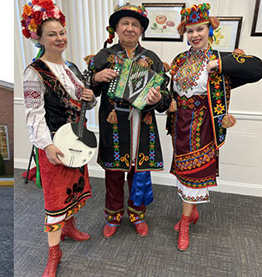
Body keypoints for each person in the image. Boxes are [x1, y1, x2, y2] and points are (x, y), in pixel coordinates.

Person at [167, 3, 262, 251]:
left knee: (193, 174)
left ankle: (185, 220)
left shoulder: (219, 58)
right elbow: (174, 93)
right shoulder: (179, 60)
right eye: (189, 31)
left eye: (199, 29)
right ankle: (192, 211)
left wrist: (219, 66)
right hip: (179, 125)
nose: (194, 35)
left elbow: (258, 69)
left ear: (210, 29)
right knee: (183, 173)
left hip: (203, 126)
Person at [20, 1, 95, 276]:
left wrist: (90, 97)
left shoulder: (73, 67)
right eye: (52, 34)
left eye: (62, 32)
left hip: (76, 140)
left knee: (73, 192)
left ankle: (70, 227)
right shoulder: (34, 72)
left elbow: (84, 103)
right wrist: (47, 145)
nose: (60, 38)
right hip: (54, 145)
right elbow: (33, 114)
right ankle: (54, 254)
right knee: (53, 202)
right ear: (38, 38)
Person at [85, 3, 169, 238]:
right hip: (114, 124)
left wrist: (159, 97)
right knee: (113, 173)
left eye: (135, 24)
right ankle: (113, 217)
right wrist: (96, 77)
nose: (130, 28)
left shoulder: (152, 59)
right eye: (125, 24)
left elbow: (166, 97)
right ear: (116, 28)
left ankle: (137, 214)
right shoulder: (103, 57)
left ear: (141, 30)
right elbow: (86, 93)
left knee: (138, 171)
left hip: (142, 124)